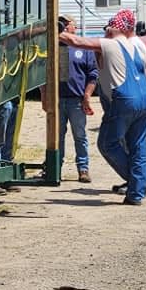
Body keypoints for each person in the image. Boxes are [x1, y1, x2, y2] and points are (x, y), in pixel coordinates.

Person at [60, 8, 146, 205]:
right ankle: (136, 193)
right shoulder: (137, 45)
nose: (104, 32)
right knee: (138, 146)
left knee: (107, 143)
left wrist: (55, 32)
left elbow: (76, 42)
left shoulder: (110, 44)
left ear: (112, 29)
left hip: (125, 99)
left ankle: (135, 181)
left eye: (106, 28)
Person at [40, 14, 99, 183]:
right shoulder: (51, 47)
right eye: (61, 23)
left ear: (75, 27)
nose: (64, 26)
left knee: (80, 136)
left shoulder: (83, 47)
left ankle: (83, 169)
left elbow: (92, 74)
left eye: (68, 23)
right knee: (56, 137)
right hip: (57, 100)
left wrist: (87, 95)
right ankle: (55, 169)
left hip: (77, 100)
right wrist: (44, 96)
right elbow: (43, 75)